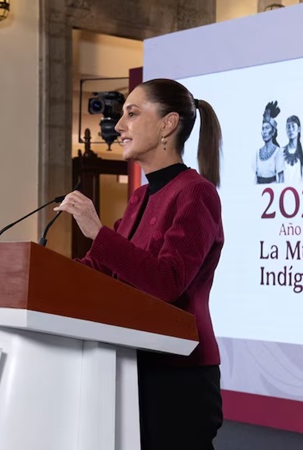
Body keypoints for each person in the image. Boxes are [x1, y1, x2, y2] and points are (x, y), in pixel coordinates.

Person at [55, 78, 224, 450]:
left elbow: (168, 282)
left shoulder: (197, 193)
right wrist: (37, 272)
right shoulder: (140, 197)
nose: (119, 126)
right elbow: (102, 271)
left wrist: (98, 232)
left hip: (179, 374)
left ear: (168, 124)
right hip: (133, 362)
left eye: (131, 114)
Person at [254, 100, 284, 183]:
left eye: (267, 128)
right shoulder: (258, 152)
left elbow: (281, 178)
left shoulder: (278, 151)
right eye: (263, 129)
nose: (264, 132)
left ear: (273, 131)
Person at [281, 115, 303, 183]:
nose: (290, 129)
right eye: (288, 127)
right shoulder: (281, 152)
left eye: (293, 126)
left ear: (299, 129)